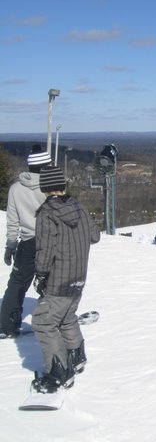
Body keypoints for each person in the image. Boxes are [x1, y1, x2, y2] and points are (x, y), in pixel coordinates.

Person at [31, 165, 101, 393]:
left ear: (45, 188)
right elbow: (95, 236)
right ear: (61, 185)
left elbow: (44, 249)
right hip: (79, 276)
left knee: (43, 322)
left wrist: (41, 274)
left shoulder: (46, 214)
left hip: (58, 278)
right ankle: (76, 356)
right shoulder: (79, 207)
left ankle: (59, 372)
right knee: (66, 316)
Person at [0, 145, 50, 338]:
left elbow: (12, 221)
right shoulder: (51, 186)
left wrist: (10, 246)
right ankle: (52, 319)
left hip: (27, 242)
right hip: (50, 242)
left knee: (18, 283)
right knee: (52, 282)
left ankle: (6, 324)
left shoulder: (15, 189)